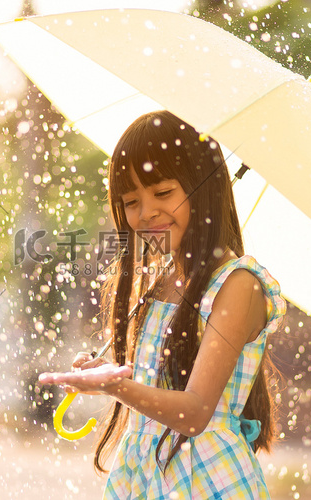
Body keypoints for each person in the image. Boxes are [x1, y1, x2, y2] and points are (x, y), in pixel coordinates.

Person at [38, 110, 286, 499]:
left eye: (163, 193)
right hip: (145, 473)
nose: (147, 211)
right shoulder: (159, 283)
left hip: (205, 477)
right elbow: (158, 385)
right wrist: (111, 376)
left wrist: (117, 386)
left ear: (205, 189)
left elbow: (195, 411)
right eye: (131, 200)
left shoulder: (238, 286)